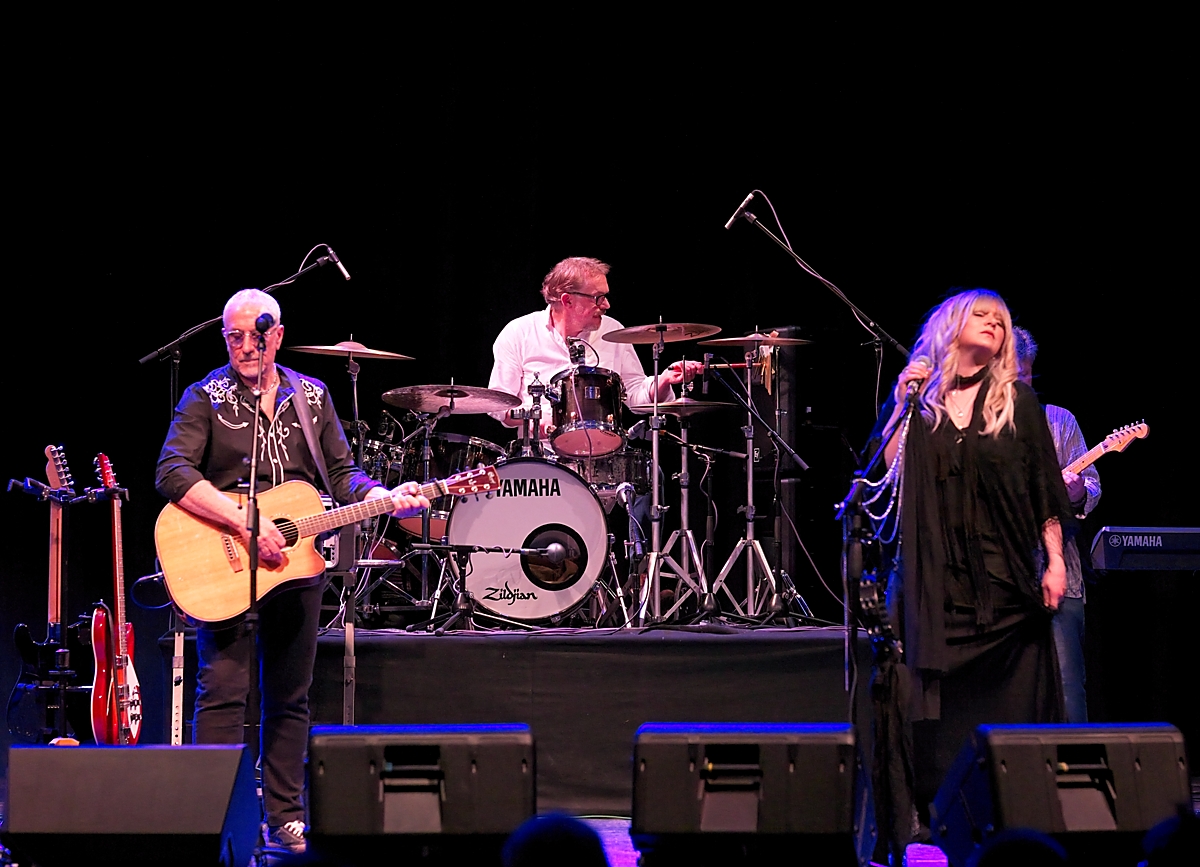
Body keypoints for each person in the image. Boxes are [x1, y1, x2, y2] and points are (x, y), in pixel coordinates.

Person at [155, 288, 429, 854]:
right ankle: (217, 818)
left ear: (277, 335)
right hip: (225, 562)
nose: (244, 347)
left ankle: (285, 816)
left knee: (289, 696)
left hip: (296, 567)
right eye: (233, 337)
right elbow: (172, 470)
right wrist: (243, 522)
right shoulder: (205, 396)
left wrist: (382, 495)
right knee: (222, 693)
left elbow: (343, 474)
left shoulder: (312, 395)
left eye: (255, 336)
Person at [862, 289, 1073, 851]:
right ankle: (916, 815)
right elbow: (887, 473)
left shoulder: (1016, 401)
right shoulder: (919, 399)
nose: (993, 325)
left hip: (1001, 579)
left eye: (1000, 321)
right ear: (950, 325)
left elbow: (1044, 490)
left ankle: (1014, 813)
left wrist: (1054, 561)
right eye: (981, 315)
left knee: (1014, 691)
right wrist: (902, 403)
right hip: (930, 578)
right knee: (911, 694)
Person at [487, 256, 704, 437]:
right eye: (598, 298)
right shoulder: (519, 333)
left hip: (605, 458)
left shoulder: (612, 331)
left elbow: (635, 396)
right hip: (540, 458)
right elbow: (498, 405)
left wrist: (664, 380)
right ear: (567, 300)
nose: (606, 305)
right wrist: (538, 422)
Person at [1013, 326, 1100, 723]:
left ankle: (1075, 760)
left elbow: (1092, 488)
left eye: (1026, 372)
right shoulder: (981, 427)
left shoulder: (1059, 421)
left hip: (1061, 575)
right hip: (1006, 576)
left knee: (1067, 688)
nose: (1021, 381)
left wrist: (1078, 490)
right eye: (1013, 373)